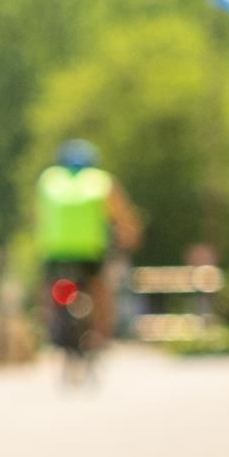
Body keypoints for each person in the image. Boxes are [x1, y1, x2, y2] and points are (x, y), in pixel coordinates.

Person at [33, 138, 142, 347]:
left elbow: (39, 215)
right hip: (89, 250)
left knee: (48, 289)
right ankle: (100, 335)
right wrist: (130, 237)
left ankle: (49, 328)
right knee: (100, 288)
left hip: (55, 249)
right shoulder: (100, 180)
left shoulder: (49, 179)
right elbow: (124, 218)